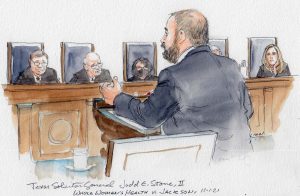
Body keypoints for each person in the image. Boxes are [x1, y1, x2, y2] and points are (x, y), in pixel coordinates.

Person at [100, 9, 253, 161]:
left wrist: (117, 97)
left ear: (181, 35)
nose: (162, 39)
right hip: (241, 155)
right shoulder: (231, 65)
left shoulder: (173, 75)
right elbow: (248, 110)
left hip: (200, 162)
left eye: (166, 33)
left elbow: (148, 117)